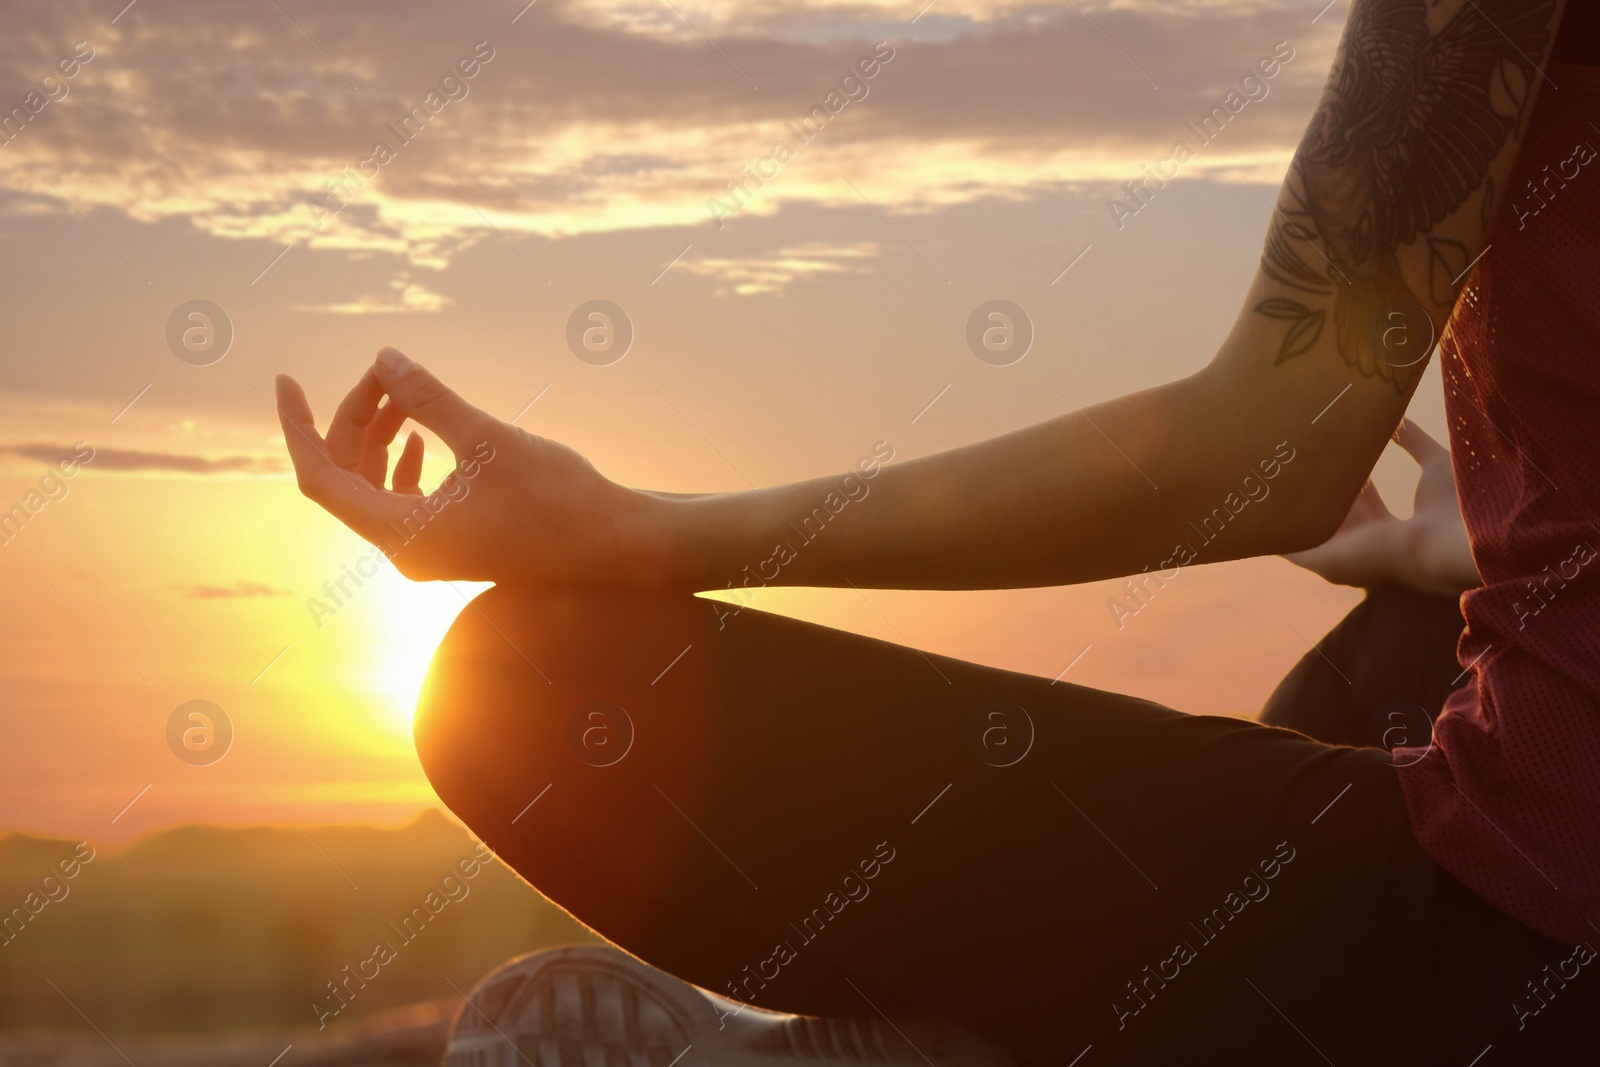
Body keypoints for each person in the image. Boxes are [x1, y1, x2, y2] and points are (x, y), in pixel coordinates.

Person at [274, 0, 1600, 1060]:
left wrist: (628, 532)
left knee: (524, 693)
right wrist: (1445, 549)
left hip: (1532, 932)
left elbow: (1274, 442)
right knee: (1389, 649)